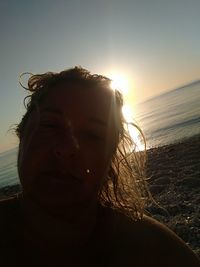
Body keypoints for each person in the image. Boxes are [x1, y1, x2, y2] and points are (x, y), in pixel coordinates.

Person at [0, 67, 199, 267]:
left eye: (93, 135)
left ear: (110, 156)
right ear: (22, 133)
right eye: (50, 125)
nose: (67, 148)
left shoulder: (160, 255)